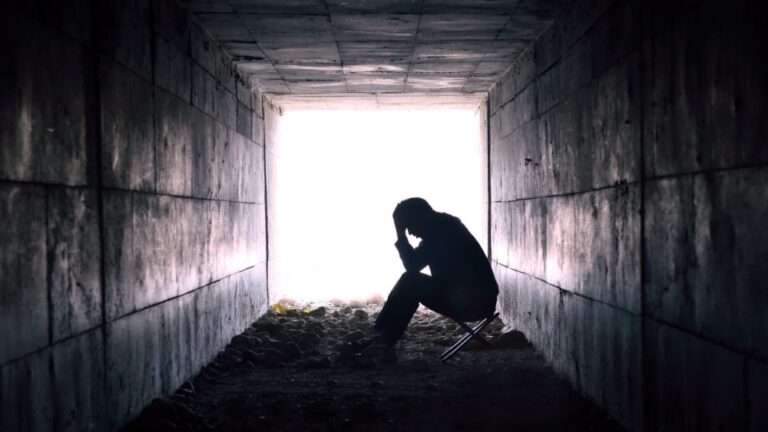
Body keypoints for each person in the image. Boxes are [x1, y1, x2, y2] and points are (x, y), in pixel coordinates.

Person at [362, 197, 498, 364]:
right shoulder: (443, 227)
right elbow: (414, 264)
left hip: (474, 304)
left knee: (410, 282)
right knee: (410, 281)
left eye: (409, 225)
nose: (410, 232)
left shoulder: (442, 232)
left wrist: (400, 234)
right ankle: (382, 339)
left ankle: (383, 340)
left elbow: (412, 266)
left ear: (420, 217)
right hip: (475, 299)